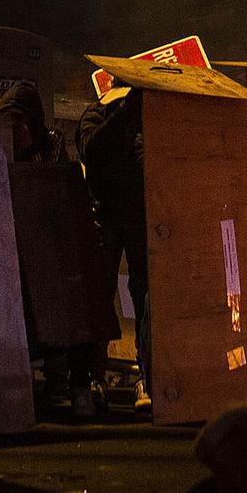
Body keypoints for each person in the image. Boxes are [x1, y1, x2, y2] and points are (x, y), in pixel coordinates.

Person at [78, 85, 151, 402]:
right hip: (104, 217)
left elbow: (146, 161)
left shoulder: (137, 116)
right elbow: (92, 150)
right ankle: (94, 378)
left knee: (145, 298)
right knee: (100, 298)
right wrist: (124, 116)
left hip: (134, 218)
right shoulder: (99, 113)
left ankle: (147, 377)